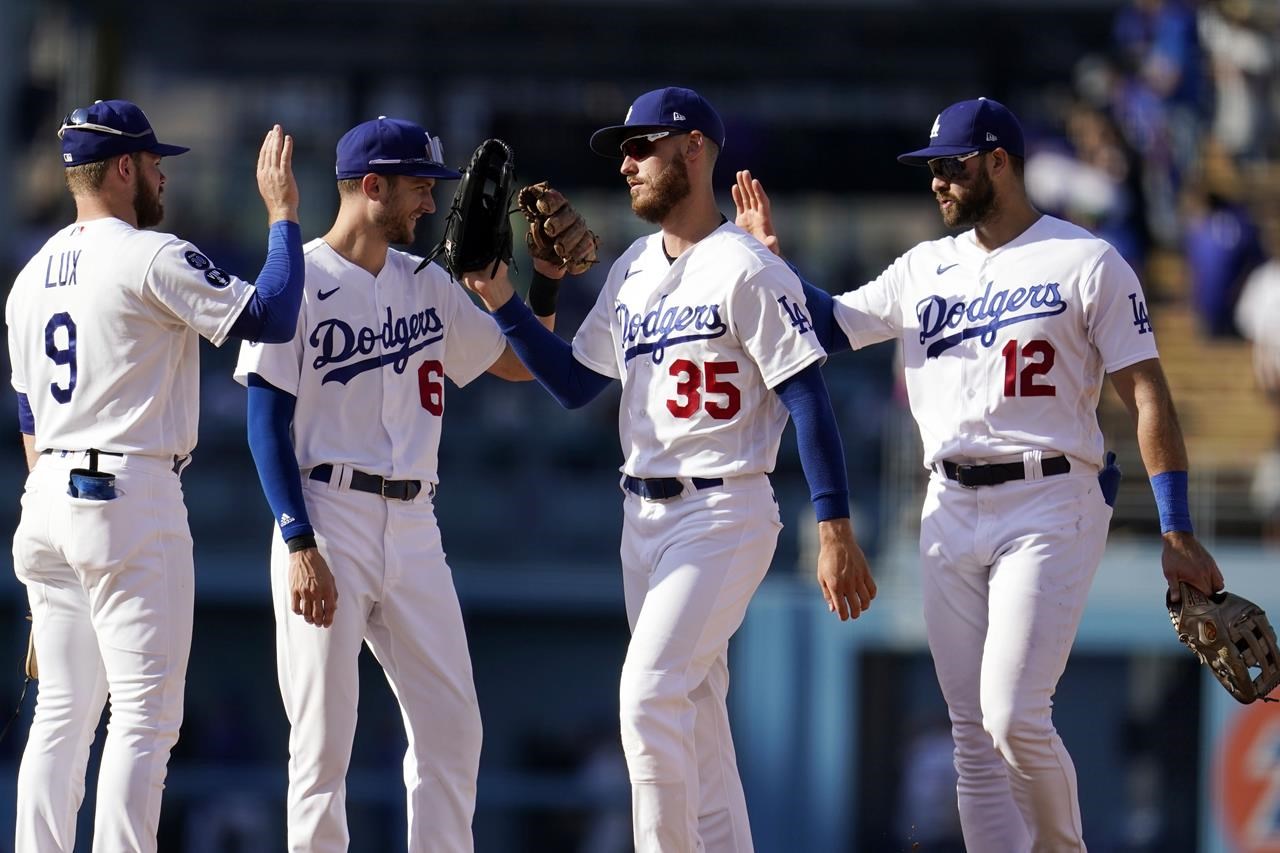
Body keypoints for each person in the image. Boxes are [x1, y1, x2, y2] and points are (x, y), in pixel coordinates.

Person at [733, 97, 1224, 851]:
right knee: (972, 737)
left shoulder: (1084, 259)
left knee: (1012, 711)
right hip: (947, 503)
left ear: (1000, 160)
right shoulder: (923, 266)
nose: (937, 181)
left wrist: (1176, 522)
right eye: (931, 168)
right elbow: (827, 327)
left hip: (1051, 495)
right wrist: (769, 262)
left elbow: (1146, 391)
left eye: (951, 165)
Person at [459, 86, 876, 853]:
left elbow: (809, 397)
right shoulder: (632, 268)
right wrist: (503, 298)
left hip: (722, 510)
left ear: (693, 149)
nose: (625, 162)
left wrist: (835, 527)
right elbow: (575, 383)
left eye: (640, 146)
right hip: (642, 520)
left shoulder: (748, 267)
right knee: (698, 723)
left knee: (648, 699)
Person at [233, 116, 594, 853]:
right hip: (325, 513)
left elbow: (519, 362)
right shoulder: (296, 281)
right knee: (324, 738)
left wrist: (544, 284)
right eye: (419, 188)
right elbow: (264, 423)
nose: (431, 204)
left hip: (416, 522)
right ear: (373, 188)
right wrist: (298, 540)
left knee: (454, 726)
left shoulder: (426, 281)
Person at [5, 99, 303, 852]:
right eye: (157, 162)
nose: (163, 176)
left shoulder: (29, 276)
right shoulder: (149, 253)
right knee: (144, 717)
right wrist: (282, 217)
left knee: (62, 714)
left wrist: (58, 507)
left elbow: (28, 416)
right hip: (126, 492)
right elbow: (270, 315)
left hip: (45, 497)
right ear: (127, 167)